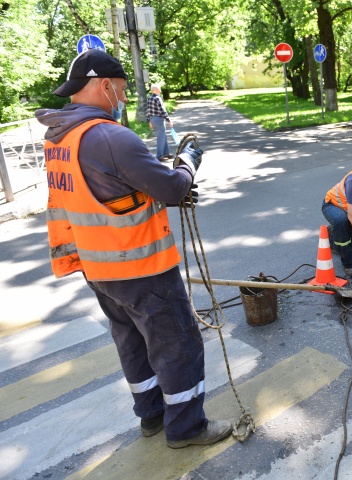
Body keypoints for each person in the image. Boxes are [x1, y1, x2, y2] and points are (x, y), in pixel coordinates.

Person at [36, 49, 233, 448]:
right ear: (105, 85)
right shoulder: (109, 136)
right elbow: (173, 189)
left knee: (132, 340)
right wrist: (189, 163)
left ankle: (151, 416)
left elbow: (110, 193)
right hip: (140, 265)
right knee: (178, 343)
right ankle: (187, 428)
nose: (124, 99)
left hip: (98, 265)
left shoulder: (60, 136)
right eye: (122, 91)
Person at [146, 83, 173, 161]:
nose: (160, 90)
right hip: (158, 119)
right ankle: (159, 156)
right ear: (155, 90)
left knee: (163, 135)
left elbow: (148, 111)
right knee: (161, 137)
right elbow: (162, 110)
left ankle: (166, 153)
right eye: (159, 89)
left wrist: (149, 121)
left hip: (153, 119)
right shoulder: (158, 98)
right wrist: (169, 120)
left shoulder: (149, 98)